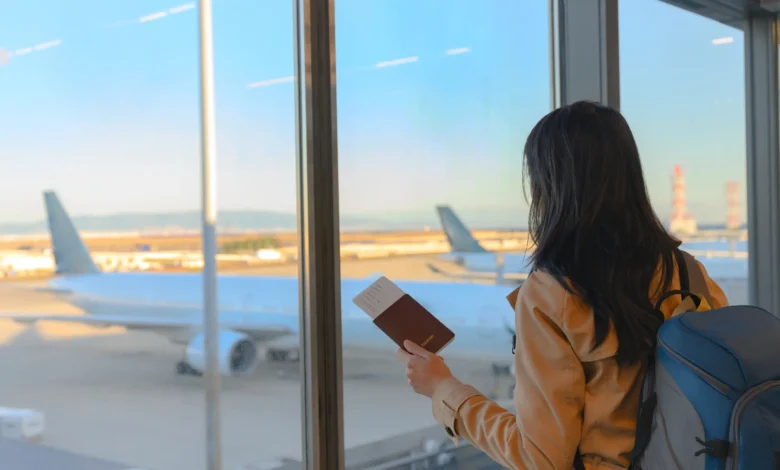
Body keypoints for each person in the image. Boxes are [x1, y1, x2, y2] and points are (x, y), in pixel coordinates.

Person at [395, 100, 728, 469]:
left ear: (550, 186)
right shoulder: (689, 274)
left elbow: (541, 458)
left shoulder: (552, 295)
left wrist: (444, 390)